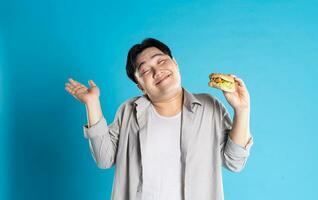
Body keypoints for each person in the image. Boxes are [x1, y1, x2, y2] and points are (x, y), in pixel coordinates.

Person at [65, 38, 254, 200]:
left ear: (175, 63)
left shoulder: (209, 107)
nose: (157, 71)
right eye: (145, 71)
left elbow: (234, 162)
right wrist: (92, 103)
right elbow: (104, 159)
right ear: (140, 86)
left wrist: (242, 109)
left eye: (161, 61)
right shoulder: (129, 111)